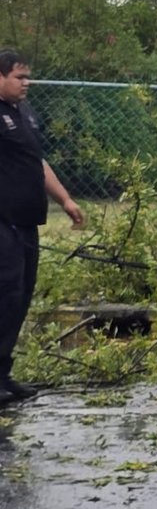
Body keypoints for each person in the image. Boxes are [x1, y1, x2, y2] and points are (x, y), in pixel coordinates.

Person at [0, 50, 83, 404]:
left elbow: (37, 162)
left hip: (27, 222)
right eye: (19, 76)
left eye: (27, 76)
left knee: (20, 297)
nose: (26, 83)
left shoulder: (26, 114)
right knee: (5, 293)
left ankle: (3, 374)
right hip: (2, 222)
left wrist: (65, 199)